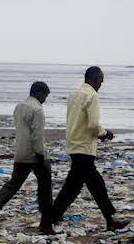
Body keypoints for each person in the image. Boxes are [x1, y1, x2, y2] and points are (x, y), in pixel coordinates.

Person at [48, 66, 128, 231]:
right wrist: (104, 134)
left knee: (77, 186)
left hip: (73, 143)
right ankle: (50, 219)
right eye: (101, 80)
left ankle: (52, 218)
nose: (101, 84)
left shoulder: (74, 95)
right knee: (92, 184)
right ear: (94, 78)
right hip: (85, 147)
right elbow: (93, 125)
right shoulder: (92, 95)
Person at [0, 81, 54, 233]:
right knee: (45, 188)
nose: (45, 99)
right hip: (35, 154)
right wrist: (41, 154)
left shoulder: (19, 106)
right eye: (45, 96)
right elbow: (37, 135)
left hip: (20, 153)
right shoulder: (37, 110)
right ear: (40, 93)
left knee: (13, 185)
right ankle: (45, 223)